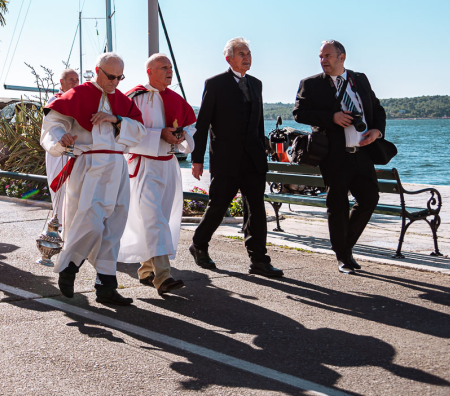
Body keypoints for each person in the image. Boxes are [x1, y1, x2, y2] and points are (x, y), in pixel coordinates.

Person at [41, 53, 146, 306]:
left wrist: (116, 119)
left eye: (120, 77)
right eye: (111, 77)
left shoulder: (122, 100)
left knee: (115, 225)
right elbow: (52, 124)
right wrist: (61, 139)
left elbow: (140, 132)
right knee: (90, 220)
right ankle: (69, 267)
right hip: (90, 164)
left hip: (118, 165)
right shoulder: (79, 94)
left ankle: (106, 285)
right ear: (97, 71)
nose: (115, 83)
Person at [189, 38, 283, 279]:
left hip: (253, 158)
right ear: (228, 58)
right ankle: (199, 244)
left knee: (256, 209)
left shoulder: (256, 84)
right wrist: (197, 158)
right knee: (218, 206)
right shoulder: (215, 83)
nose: (247, 57)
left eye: (249, 53)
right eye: (241, 53)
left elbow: (258, 121)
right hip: (226, 158)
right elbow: (203, 123)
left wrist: (264, 147)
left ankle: (259, 260)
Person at [294, 40, 386, 274]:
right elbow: (299, 113)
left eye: (327, 56)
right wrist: (331, 117)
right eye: (320, 56)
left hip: (363, 152)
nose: (323, 60)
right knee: (337, 205)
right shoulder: (311, 83)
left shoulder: (360, 79)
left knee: (369, 199)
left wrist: (377, 130)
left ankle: (344, 246)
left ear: (341, 57)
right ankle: (343, 256)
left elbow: (377, 108)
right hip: (335, 155)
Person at [122, 55, 197, 294]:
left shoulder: (176, 99)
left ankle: (146, 270)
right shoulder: (133, 98)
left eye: (171, 68)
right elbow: (124, 133)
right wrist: (158, 135)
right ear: (149, 71)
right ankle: (163, 276)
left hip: (168, 165)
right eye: (164, 67)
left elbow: (192, 127)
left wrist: (184, 136)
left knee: (160, 217)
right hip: (144, 165)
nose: (169, 71)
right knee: (155, 219)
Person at [44, 68, 80, 224]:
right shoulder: (55, 101)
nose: (74, 82)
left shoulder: (81, 100)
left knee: (76, 195)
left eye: (76, 80)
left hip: (78, 153)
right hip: (59, 151)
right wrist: (61, 140)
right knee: (60, 191)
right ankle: (57, 226)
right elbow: (52, 127)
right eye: (70, 79)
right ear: (61, 82)